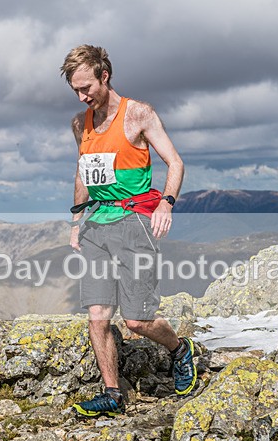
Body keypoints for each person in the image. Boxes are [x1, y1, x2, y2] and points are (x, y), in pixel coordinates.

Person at [60, 44, 198, 417]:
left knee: (136, 320)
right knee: (98, 316)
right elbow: (83, 172)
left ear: (105, 76)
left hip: (134, 221)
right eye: (75, 90)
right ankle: (112, 392)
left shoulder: (138, 114)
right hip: (96, 226)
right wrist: (76, 223)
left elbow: (175, 162)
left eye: (87, 87)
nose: (82, 95)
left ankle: (180, 349)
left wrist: (166, 204)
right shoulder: (80, 123)